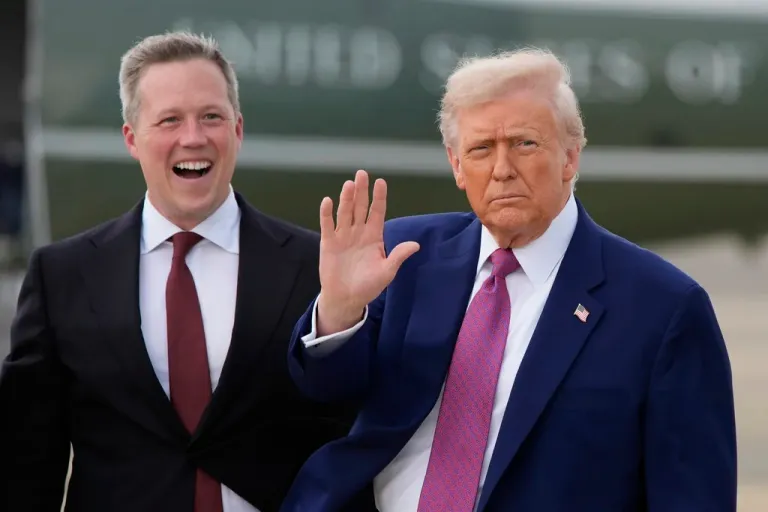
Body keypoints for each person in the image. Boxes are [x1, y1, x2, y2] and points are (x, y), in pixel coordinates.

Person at [280, 48, 738, 511]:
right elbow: (325, 393)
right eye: (481, 149)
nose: (502, 169)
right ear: (457, 166)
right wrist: (339, 312)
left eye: (524, 144)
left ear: (570, 157)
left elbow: (692, 496)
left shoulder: (664, 308)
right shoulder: (404, 258)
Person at [0, 32, 360, 512]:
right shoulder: (63, 274)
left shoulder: (313, 266)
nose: (193, 137)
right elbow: (27, 457)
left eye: (211, 116)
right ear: (132, 137)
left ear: (238, 130)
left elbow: (346, 427)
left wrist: (345, 317)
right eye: (169, 119)